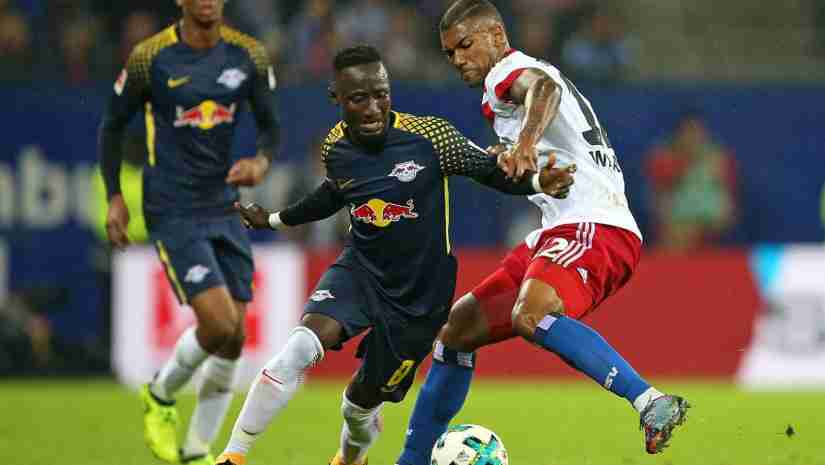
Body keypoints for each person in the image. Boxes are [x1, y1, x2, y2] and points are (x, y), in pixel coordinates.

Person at [212, 44, 575, 465]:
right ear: (336, 98)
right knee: (298, 349)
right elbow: (333, 195)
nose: (372, 108)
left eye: (380, 95)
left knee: (358, 406)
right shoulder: (335, 147)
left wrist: (537, 182)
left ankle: (351, 457)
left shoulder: (431, 137)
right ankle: (233, 455)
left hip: (420, 300)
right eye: (358, 98)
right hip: (361, 270)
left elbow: (489, 171)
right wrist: (274, 220)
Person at [395, 2, 690, 464]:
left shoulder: (509, 72)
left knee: (529, 315)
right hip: (561, 227)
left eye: (466, 45)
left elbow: (543, 89)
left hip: (594, 225)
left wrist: (526, 142)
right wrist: (506, 155)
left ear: (496, 34)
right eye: (450, 53)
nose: (458, 59)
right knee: (456, 331)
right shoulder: (505, 89)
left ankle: (650, 402)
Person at [98, 0, 280, 463]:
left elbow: (270, 126)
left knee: (235, 337)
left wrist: (260, 162)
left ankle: (197, 450)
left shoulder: (249, 55)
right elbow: (112, 126)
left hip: (223, 203)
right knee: (218, 323)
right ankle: (160, 393)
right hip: (172, 206)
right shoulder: (150, 57)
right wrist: (115, 196)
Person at [644, 111, 737, 250]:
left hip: (711, 229)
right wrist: (683, 165)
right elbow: (657, 205)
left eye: (697, 133)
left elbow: (728, 211)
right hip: (675, 230)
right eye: (688, 132)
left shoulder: (718, 160)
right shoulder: (663, 159)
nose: (693, 138)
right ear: (679, 135)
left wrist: (700, 227)